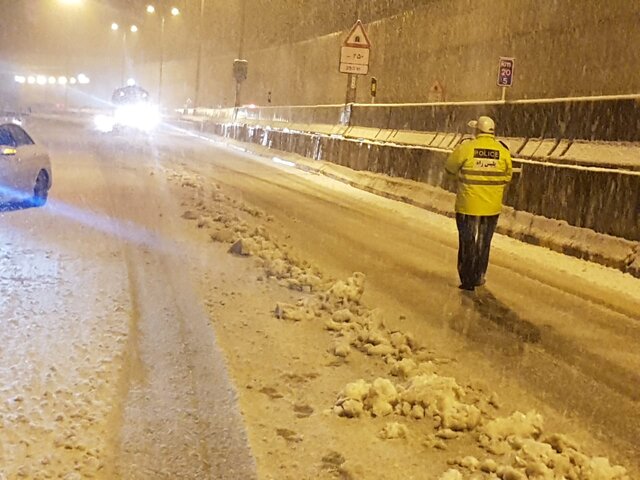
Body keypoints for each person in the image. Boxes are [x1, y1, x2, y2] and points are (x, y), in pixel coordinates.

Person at [445, 116, 512, 291]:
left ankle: (467, 279)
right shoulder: (502, 151)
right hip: (491, 207)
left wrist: (459, 178)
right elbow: (507, 176)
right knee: (484, 241)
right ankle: (479, 275)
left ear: (477, 131)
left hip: (468, 205)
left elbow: (449, 168)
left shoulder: (466, 148)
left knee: (467, 241)